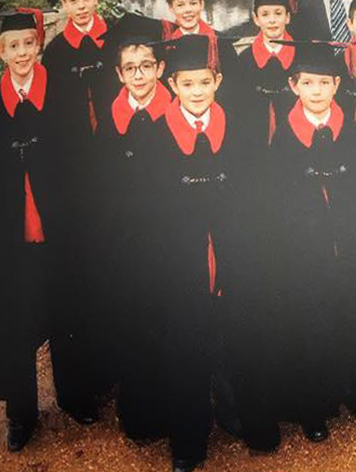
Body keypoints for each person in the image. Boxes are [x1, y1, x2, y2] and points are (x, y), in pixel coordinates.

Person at [227, 39, 356, 451]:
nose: (316, 91)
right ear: (293, 86)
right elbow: (277, 204)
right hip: (306, 255)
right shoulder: (281, 142)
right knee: (310, 331)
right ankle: (314, 408)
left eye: (324, 83)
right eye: (307, 82)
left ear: (336, 86)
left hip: (350, 248)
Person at [146, 33, 235, 472]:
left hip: (230, 250)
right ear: (174, 86)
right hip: (181, 256)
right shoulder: (157, 133)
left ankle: (235, 413)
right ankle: (188, 442)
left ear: (216, 80)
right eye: (187, 84)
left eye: (204, 82)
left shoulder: (233, 124)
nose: (197, 92)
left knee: (232, 336)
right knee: (184, 347)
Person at [93, 13, 173, 443]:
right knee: (133, 325)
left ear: (161, 68)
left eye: (146, 66)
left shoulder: (175, 111)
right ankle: (139, 414)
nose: (138, 75)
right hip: (127, 240)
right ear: (119, 73)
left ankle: (171, 409)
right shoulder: (111, 117)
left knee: (168, 323)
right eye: (130, 68)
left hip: (170, 237)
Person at [40, 0, 111, 424]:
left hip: (116, 173)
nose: (81, 5)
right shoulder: (52, 56)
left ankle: (119, 371)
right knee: (80, 279)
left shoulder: (118, 40)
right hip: (74, 180)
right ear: (61, 6)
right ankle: (80, 387)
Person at [0, 8, 53, 452]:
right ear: (0, 52)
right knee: (15, 321)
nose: (22, 53)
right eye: (12, 46)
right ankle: (20, 414)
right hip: (11, 229)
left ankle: (78, 394)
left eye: (28, 44)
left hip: (58, 222)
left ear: (37, 45)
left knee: (67, 308)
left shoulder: (59, 93)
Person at [231, 0, 298, 157]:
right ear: (256, 19)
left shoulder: (302, 57)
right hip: (254, 142)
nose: (272, 21)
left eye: (278, 13)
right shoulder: (244, 60)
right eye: (265, 14)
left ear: (288, 17)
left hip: (295, 140)